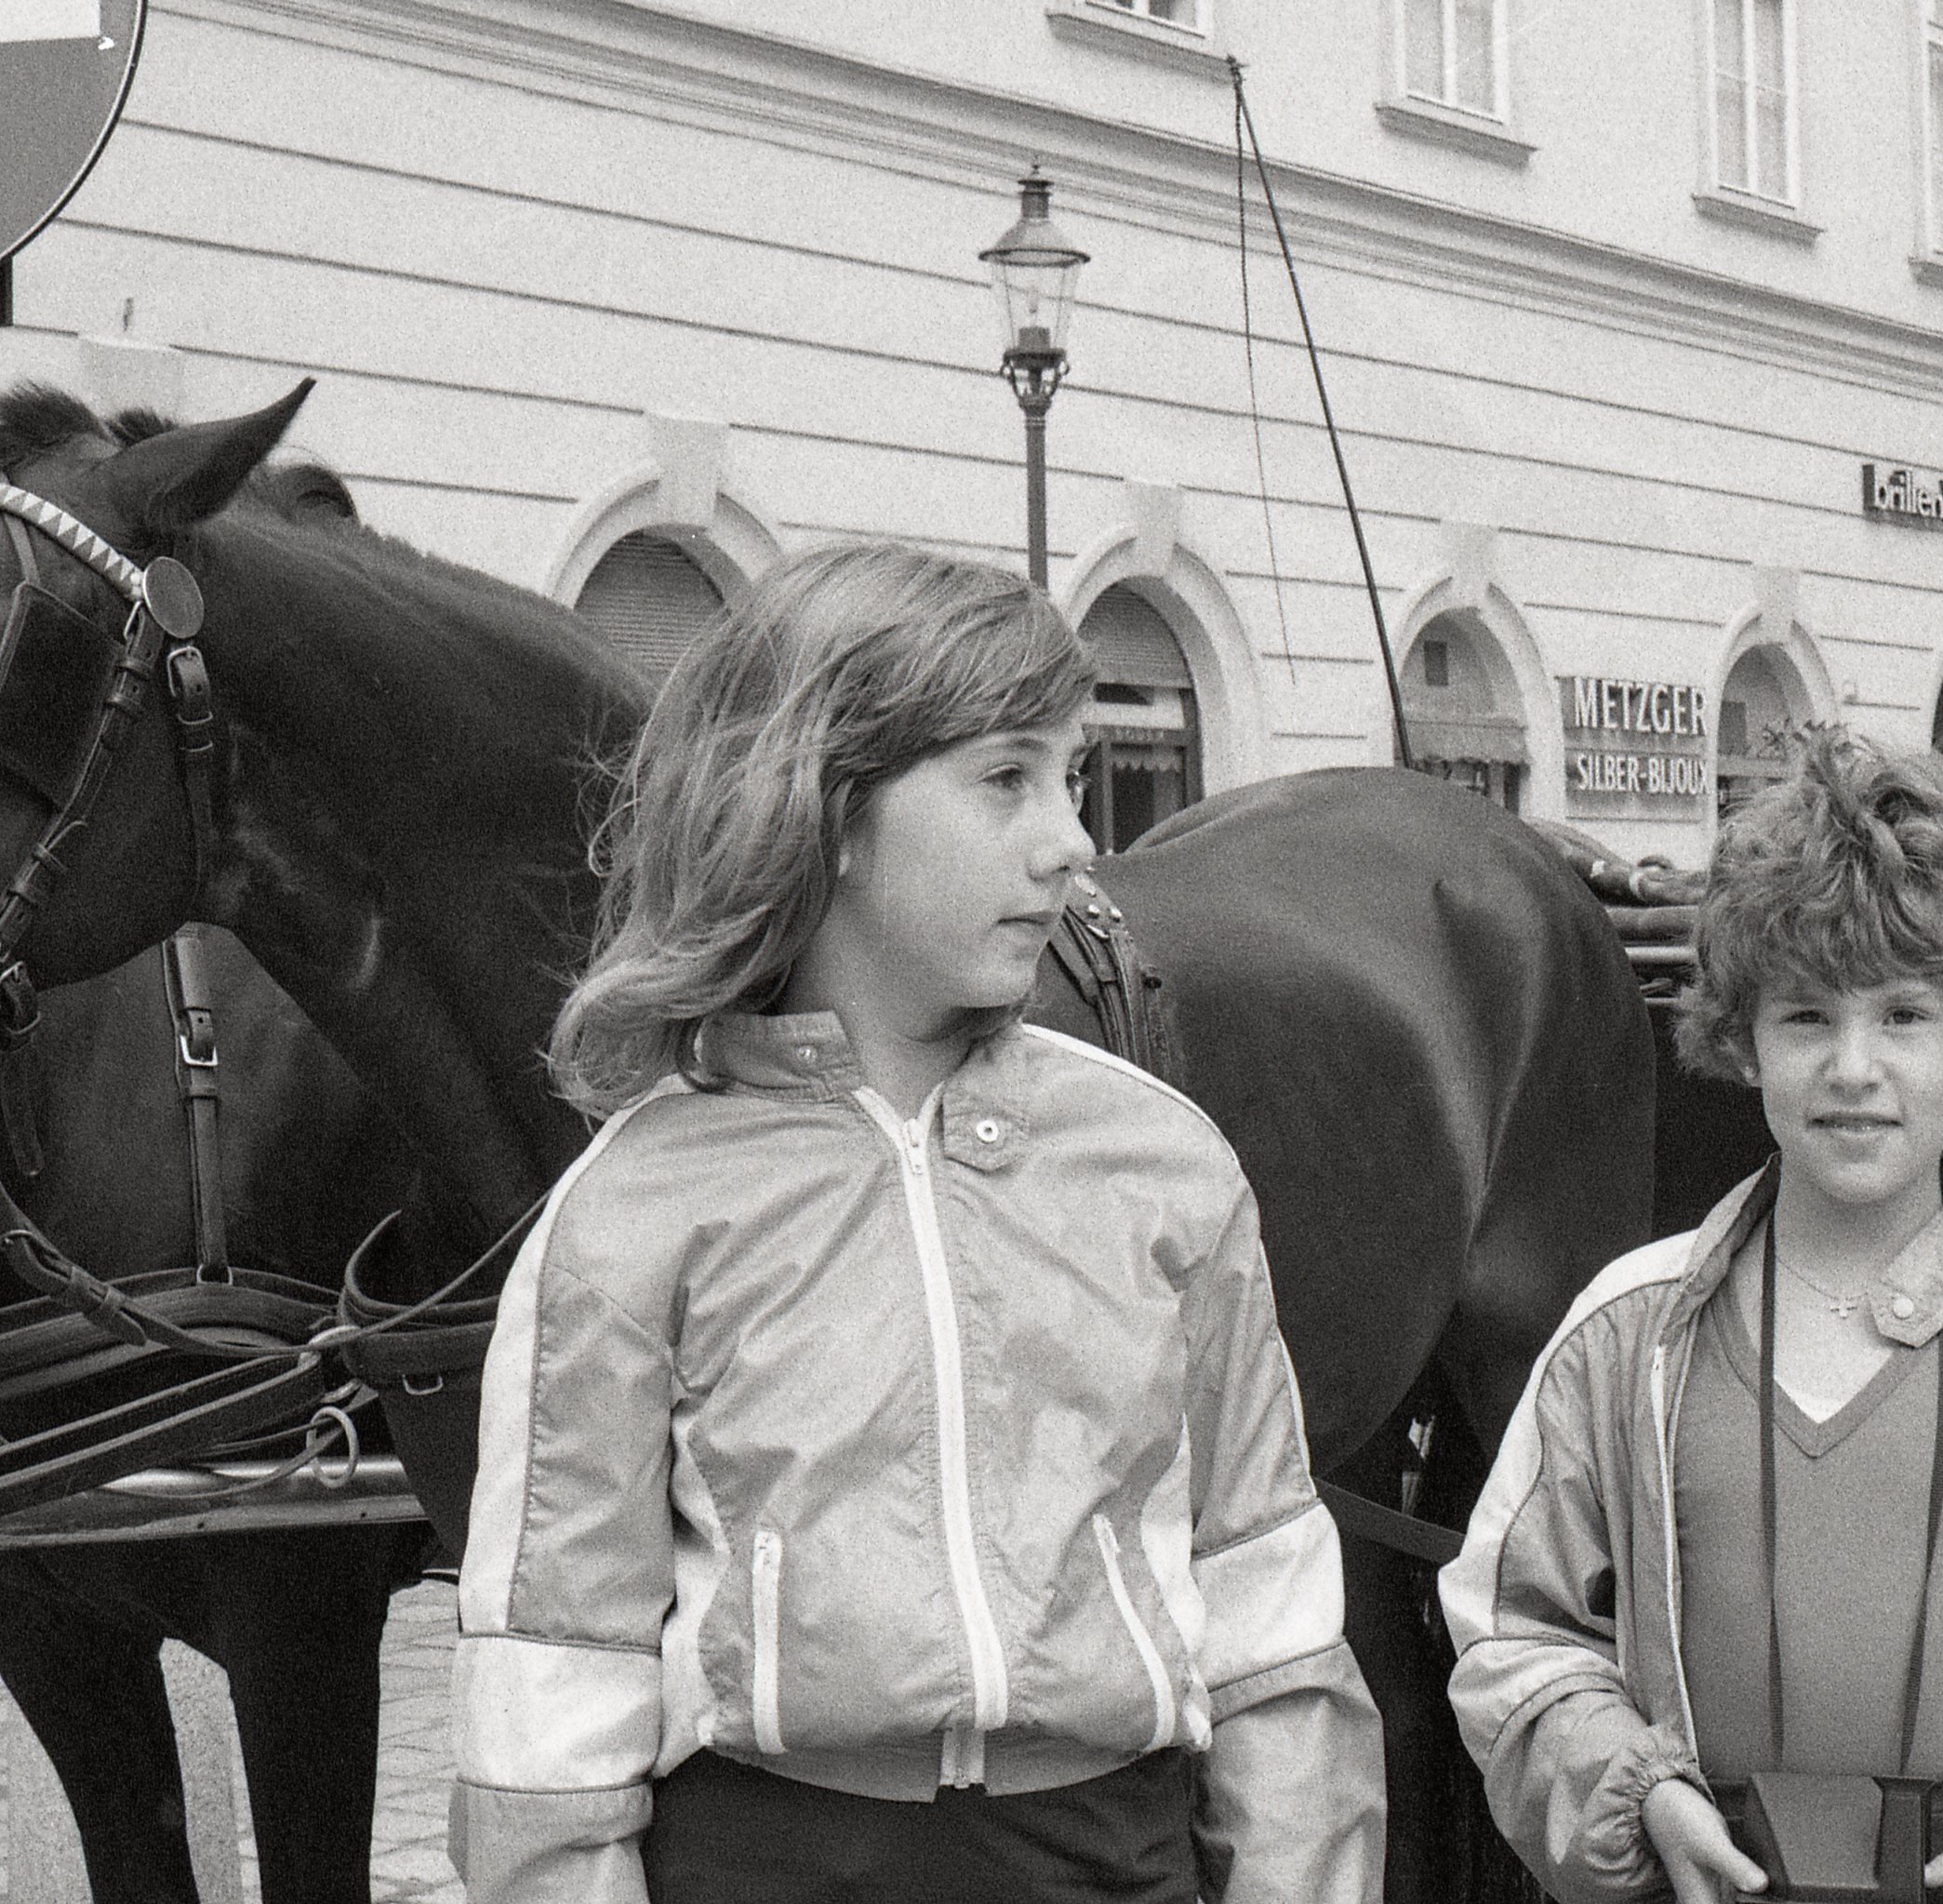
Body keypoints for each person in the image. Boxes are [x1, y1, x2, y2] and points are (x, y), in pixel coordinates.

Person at [449, 541, 1382, 1904]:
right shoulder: (633, 1210)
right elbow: (552, 1685)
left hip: (1113, 1863)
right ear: (824, 810)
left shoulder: (1160, 1161)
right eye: (1006, 777)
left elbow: (1270, 1613)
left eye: (1069, 776)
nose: (1070, 838)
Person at [1443, 731, 1943, 1904]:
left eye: (1902, 1016)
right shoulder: (1626, 1334)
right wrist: (1632, 1789)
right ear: (1740, 1040)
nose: (1851, 1067)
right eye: (1803, 1018)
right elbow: (1513, 1631)